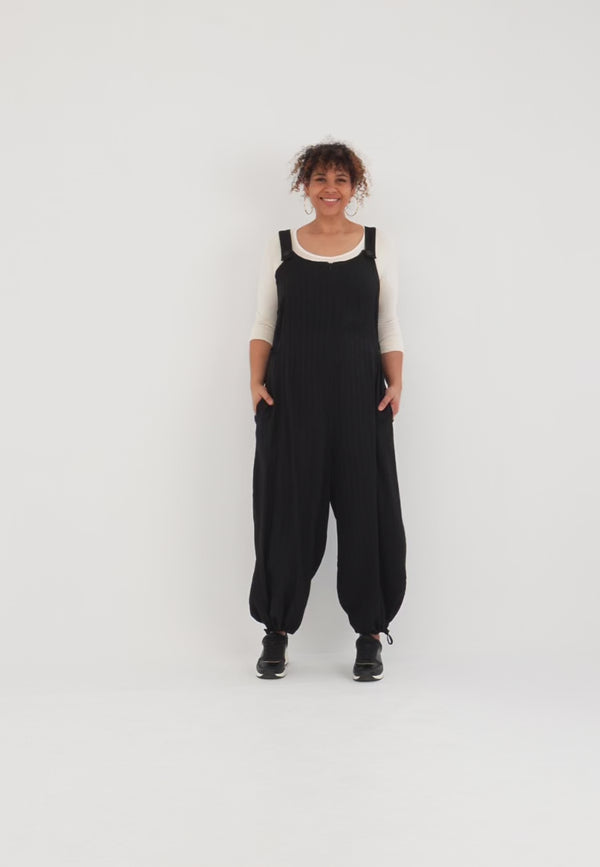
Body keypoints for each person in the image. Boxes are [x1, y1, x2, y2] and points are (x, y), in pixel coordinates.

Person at [248, 140, 407, 681]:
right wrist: (255, 382)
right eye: (320, 179)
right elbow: (264, 321)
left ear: (354, 186)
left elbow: (387, 322)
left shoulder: (377, 245)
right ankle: (276, 631)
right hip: (291, 400)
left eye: (340, 179)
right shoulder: (282, 246)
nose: (330, 188)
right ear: (306, 186)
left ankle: (370, 635)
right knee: (288, 512)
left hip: (361, 398)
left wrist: (396, 381)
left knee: (367, 510)